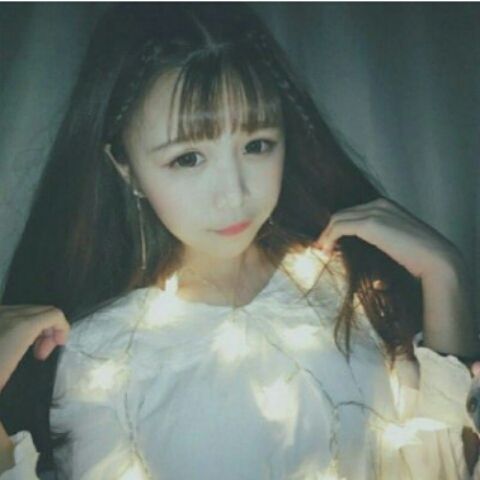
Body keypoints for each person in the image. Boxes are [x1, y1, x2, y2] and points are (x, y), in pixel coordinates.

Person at [0, 3, 478, 479]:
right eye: (188, 158)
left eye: (256, 145)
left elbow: (441, 468)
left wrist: (444, 275)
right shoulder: (100, 353)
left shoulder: (348, 286)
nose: (234, 194)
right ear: (127, 169)